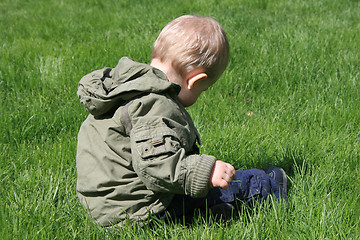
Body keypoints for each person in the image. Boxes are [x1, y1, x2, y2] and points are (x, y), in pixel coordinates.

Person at [76, 15, 287, 227]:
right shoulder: (155, 106)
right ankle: (271, 186)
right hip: (137, 211)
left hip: (104, 205)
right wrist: (205, 172)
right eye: (203, 90)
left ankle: (206, 215)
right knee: (244, 183)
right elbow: (156, 165)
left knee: (203, 201)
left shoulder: (126, 86)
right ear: (195, 80)